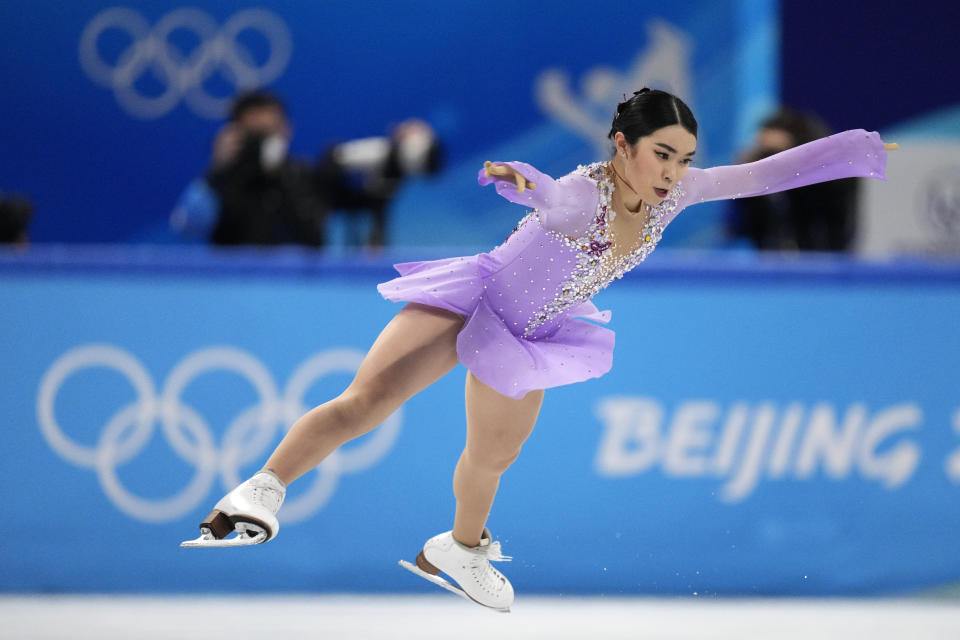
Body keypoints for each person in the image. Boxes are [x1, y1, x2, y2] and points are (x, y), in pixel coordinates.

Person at [181, 89, 896, 611]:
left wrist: (858, 148)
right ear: (623, 145)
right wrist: (516, 178)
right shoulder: (582, 196)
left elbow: (765, 174)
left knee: (493, 458)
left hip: (529, 332)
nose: (674, 171)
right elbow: (546, 193)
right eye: (660, 154)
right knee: (364, 402)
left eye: (683, 159)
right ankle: (258, 493)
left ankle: (457, 549)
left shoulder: (676, 195)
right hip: (474, 296)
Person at [170, 91, 326, 246]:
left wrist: (283, 177)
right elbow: (187, 228)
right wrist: (217, 170)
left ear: (287, 129)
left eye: (269, 132)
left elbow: (321, 239)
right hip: (234, 270)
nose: (262, 143)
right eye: (255, 135)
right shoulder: (222, 178)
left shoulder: (302, 174)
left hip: (290, 270)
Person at [728, 108, 859, 250]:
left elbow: (836, 226)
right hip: (774, 253)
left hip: (826, 250)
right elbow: (746, 225)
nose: (772, 159)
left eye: (777, 153)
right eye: (767, 153)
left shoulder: (833, 172)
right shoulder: (762, 180)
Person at [316, 118, 442, 247]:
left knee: (380, 208)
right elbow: (336, 156)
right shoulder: (379, 151)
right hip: (336, 187)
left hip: (371, 196)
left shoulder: (399, 170)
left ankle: (376, 250)